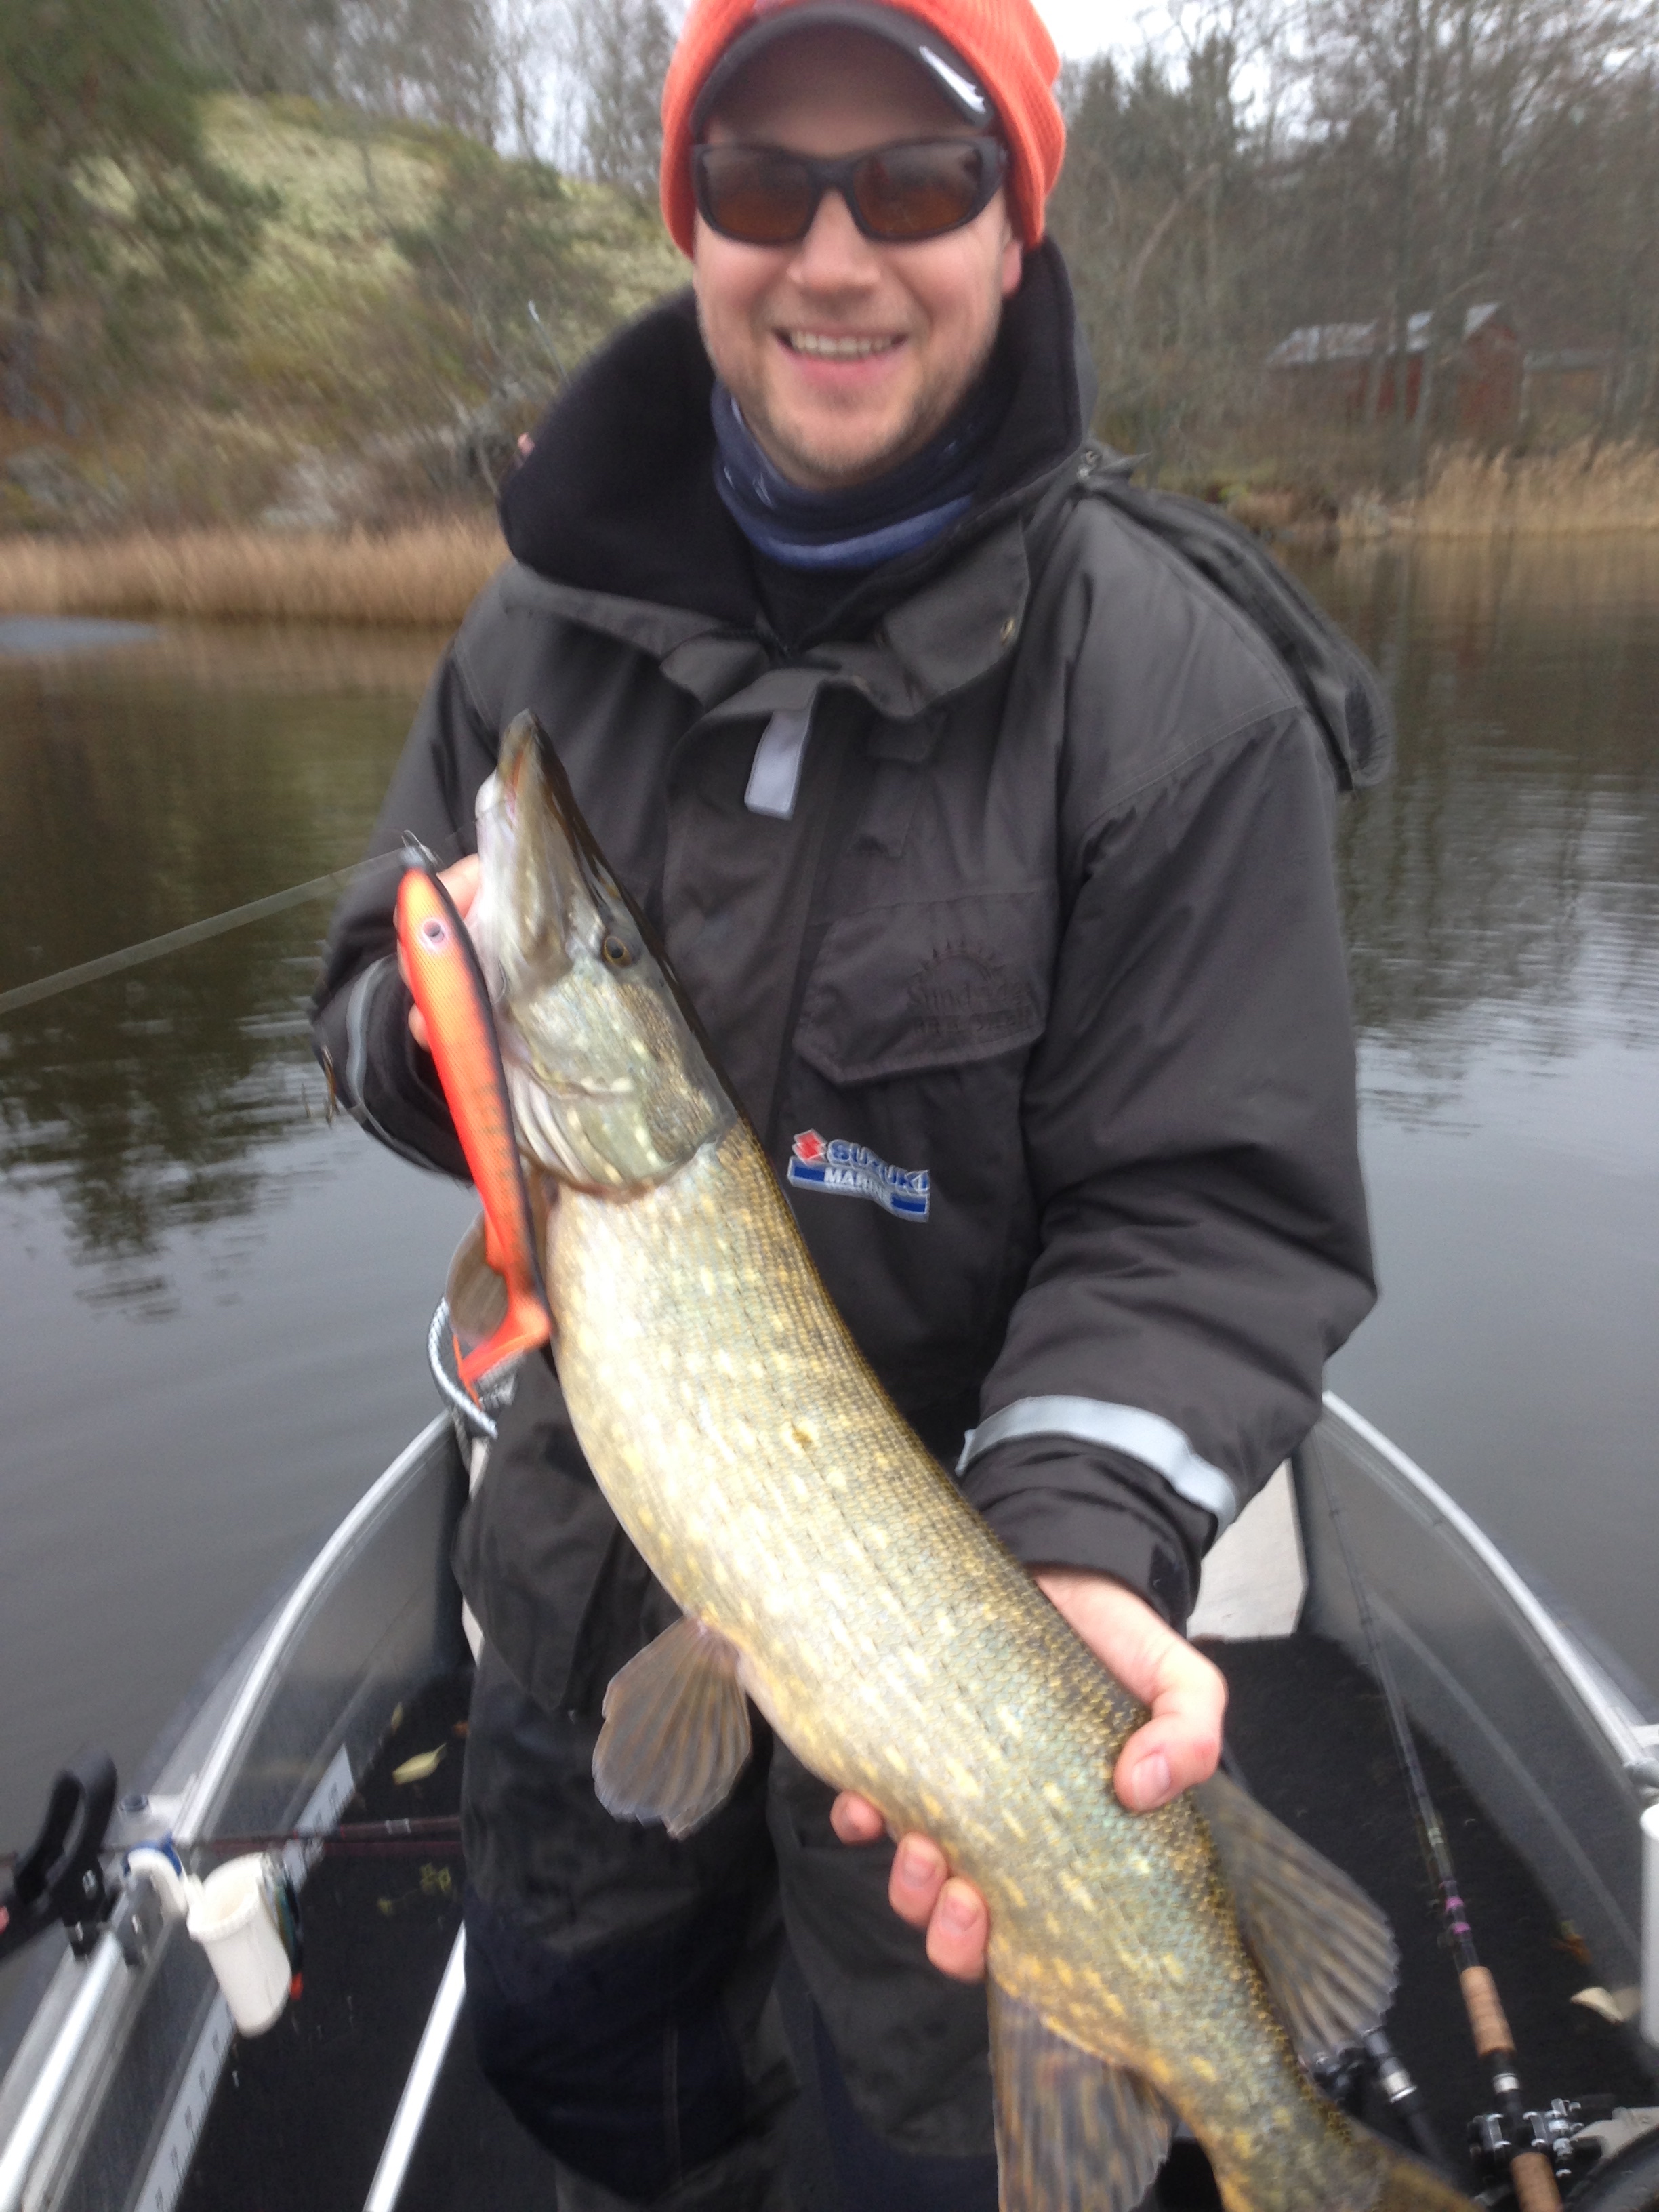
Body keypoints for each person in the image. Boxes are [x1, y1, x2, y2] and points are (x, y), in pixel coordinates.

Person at [310, 0, 1376, 2202]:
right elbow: (385, 965)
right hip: (603, 1571)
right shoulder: (542, 626)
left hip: (978, 1589)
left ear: (1017, 222)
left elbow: (1208, 1209)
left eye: (911, 181)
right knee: (580, 2049)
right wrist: (425, 1048)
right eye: (760, 179)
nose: (833, 254)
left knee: (950, 2153)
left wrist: (1077, 1538)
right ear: (688, 216)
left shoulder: (1179, 698)